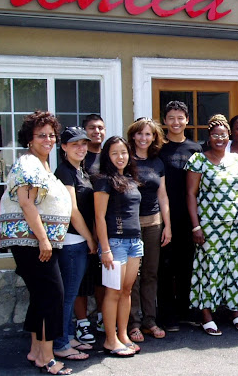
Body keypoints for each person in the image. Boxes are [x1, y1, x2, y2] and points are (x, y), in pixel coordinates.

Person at [0, 111, 73, 374]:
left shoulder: (40, 164)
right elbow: (26, 203)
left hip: (37, 242)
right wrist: (43, 239)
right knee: (53, 296)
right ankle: (46, 358)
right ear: (29, 139)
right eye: (41, 135)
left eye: (52, 135)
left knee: (41, 296)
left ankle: (35, 350)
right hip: (32, 242)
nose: (48, 139)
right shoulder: (28, 163)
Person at [186, 114, 238, 336]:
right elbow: (191, 194)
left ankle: (236, 313)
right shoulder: (198, 160)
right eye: (216, 135)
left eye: (224, 135)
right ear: (209, 137)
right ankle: (207, 315)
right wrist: (196, 226)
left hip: (234, 225)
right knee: (209, 269)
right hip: (209, 227)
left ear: (229, 136)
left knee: (235, 269)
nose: (220, 139)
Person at [93, 136, 142, 357]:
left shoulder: (131, 179)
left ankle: (123, 335)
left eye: (123, 152)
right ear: (107, 156)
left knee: (126, 291)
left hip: (134, 242)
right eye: (114, 153)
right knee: (112, 293)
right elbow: (99, 217)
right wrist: (105, 249)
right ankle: (110, 339)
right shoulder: (104, 180)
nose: (120, 157)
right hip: (115, 243)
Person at [52, 127, 98, 361]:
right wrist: (90, 237)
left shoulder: (80, 170)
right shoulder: (64, 172)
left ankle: (68, 336)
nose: (81, 148)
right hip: (71, 242)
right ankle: (60, 344)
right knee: (68, 296)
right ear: (63, 147)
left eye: (84, 144)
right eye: (75, 144)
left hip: (79, 241)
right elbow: (72, 210)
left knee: (70, 293)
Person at [158, 101, 203, 331]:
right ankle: (167, 315)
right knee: (165, 267)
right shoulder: (159, 149)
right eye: (171, 117)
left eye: (180, 117)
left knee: (188, 265)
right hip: (164, 217)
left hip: (189, 217)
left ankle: (187, 310)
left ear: (187, 120)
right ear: (164, 121)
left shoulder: (195, 149)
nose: (176, 122)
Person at [126, 118, 171, 341]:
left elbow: (162, 195)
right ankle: (133, 323)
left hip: (154, 223)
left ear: (154, 138)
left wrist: (167, 226)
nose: (144, 138)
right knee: (133, 275)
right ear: (133, 136)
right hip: (130, 224)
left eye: (148, 134)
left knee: (151, 273)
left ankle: (149, 321)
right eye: (140, 134)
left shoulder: (157, 162)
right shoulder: (126, 160)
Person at [74, 114, 106, 343]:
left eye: (100, 128)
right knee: (81, 279)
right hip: (81, 227)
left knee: (102, 277)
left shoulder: (109, 157)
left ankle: (105, 317)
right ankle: (82, 323)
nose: (97, 132)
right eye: (92, 128)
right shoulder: (79, 159)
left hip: (104, 226)